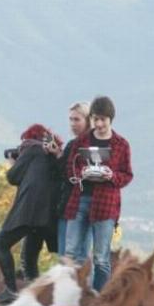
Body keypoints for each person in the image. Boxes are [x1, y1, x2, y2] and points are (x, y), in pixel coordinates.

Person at [63, 95, 133, 290]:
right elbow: (70, 169)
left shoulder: (121, 144)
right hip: (79, 201)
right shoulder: (81, 141)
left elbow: (127, 175)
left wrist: (111, 176)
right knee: (71, 253)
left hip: (106, 205)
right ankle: (74, 296)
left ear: (111, 119)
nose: (99, 123)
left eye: (103, 119)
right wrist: (82, 173)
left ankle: (97, 299)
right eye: (95, 119)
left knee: (101, 258)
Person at [0, 124, 63, 303]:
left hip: (29, 211)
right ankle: (35, 295)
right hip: (48, 217)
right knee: (29, 257)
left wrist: (12, 162)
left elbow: (13, 177)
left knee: (0, 244)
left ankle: (10, 290)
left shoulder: (32, 149)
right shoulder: (54, 155)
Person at [49, 101, 90, 258]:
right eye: (71, 119)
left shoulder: (85, 145)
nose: (72, 124)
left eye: (77, 120)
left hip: (78, 205)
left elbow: (70, 175)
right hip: (67, 206)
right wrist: (59, 155)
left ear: (88, 120)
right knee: (69, 255)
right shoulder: (73, 144)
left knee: (73, 256)